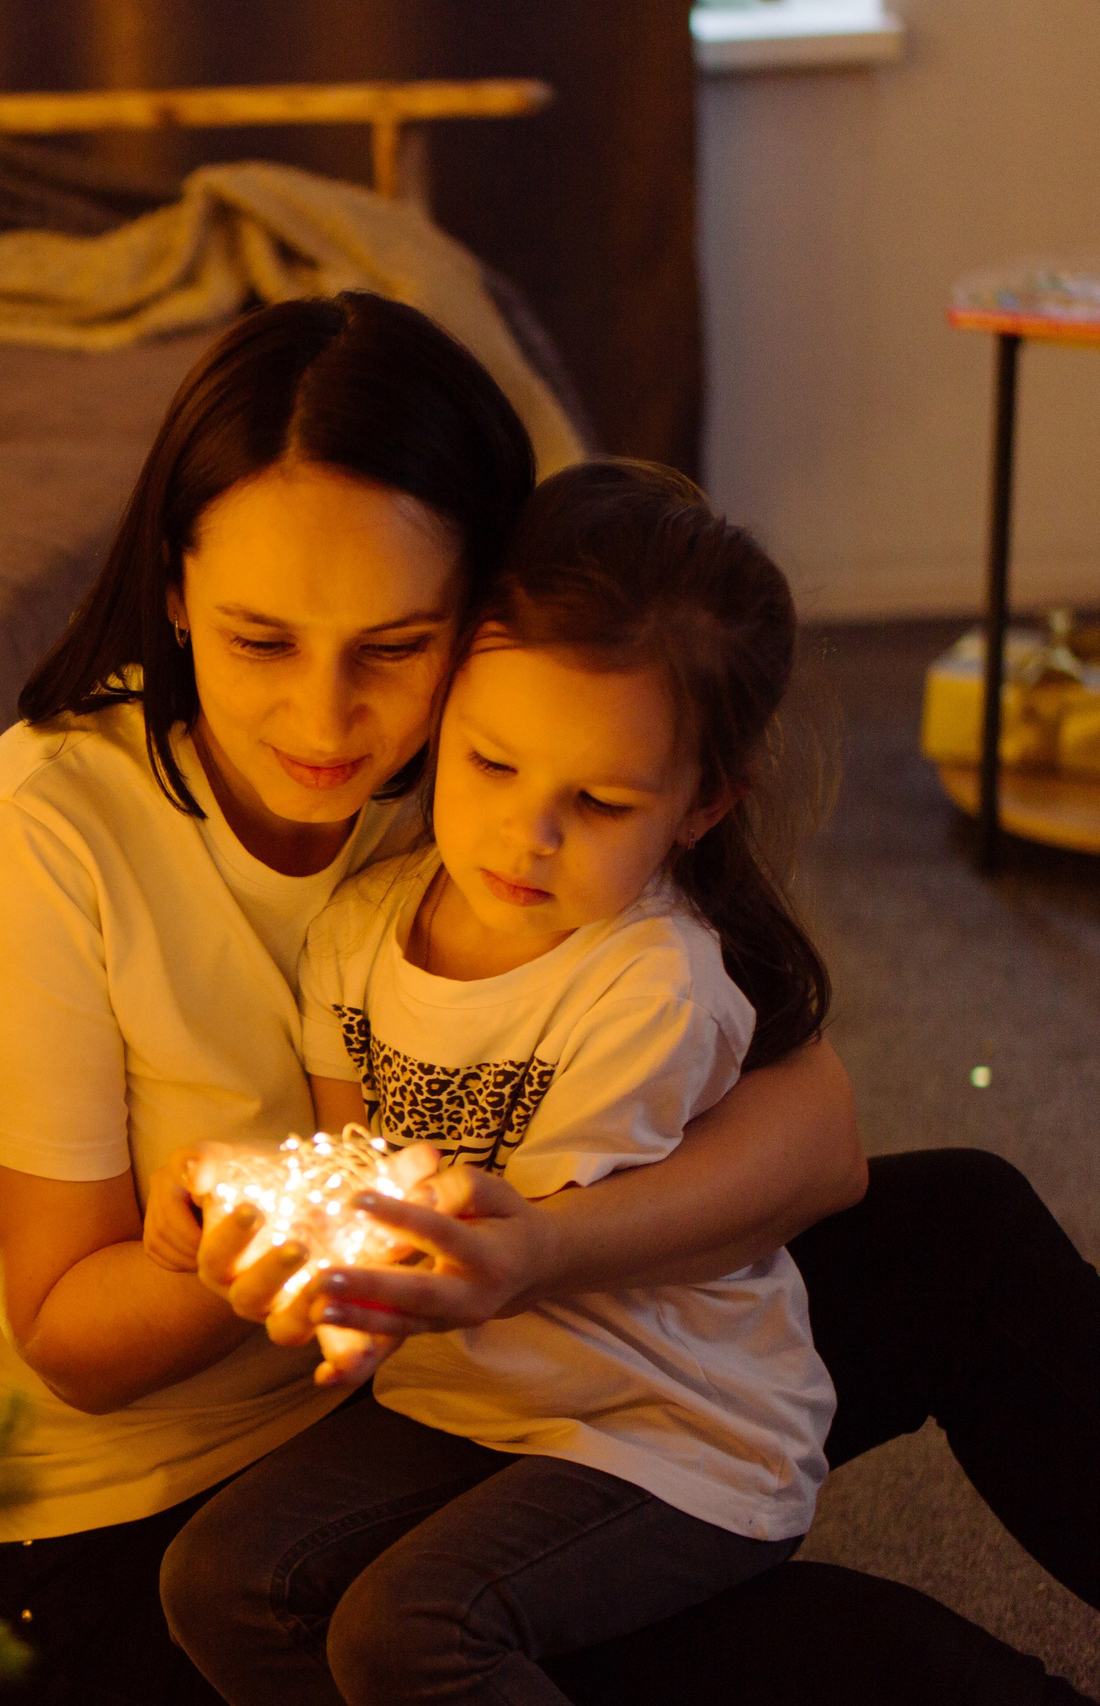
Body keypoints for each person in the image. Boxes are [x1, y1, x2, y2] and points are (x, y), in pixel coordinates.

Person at [0, 290, 1100, 1706]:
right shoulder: (32, 845)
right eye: (259, 640)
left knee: (962, 1227)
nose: (326, 720)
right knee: (865, 1664)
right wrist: (262, 1244)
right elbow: (73, 1342)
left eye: (396, 647)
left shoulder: (504, 763)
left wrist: (533, 1252)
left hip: (489, 1377)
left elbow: (817, 1141)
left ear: (484, 616)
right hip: (134, 1532)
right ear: (172, 588)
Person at [144, 460, 834, 1704]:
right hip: (465, 1398)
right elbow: (354, 1175)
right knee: (215, 1578)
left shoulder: (652, 987)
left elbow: (455, 1241)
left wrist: (317, 1241)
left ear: (701, 804)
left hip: (664, 1429)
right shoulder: (360, 929)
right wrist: (230, 1207)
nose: (528, 833)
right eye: (492, 763)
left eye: (600, 798)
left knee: (410, 1630)